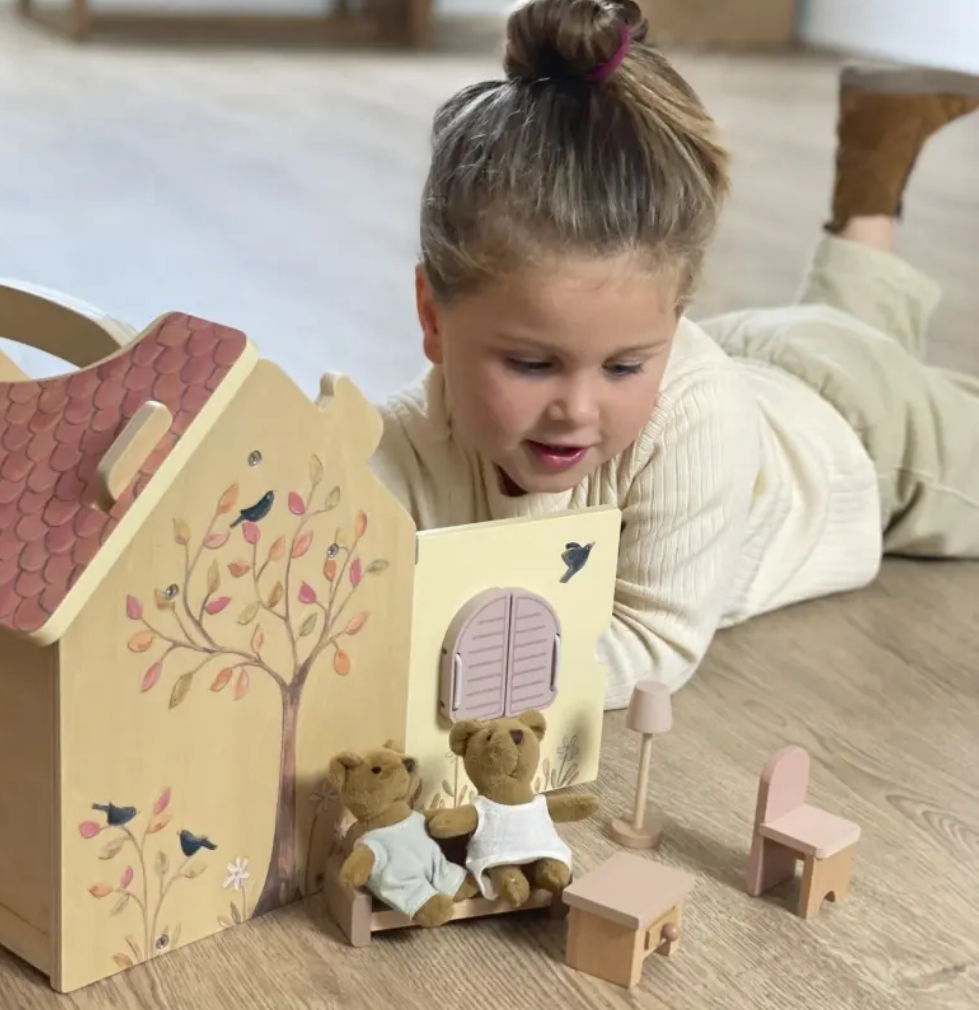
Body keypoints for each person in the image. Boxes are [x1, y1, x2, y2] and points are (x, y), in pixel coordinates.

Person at [370, 0, 979, 710]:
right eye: (532, 365)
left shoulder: (696, 422)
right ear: (431, 318)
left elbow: (652, 642)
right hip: (774, 362)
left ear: (675, 320)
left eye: (624, 367)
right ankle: (878, 158)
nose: (576, 409)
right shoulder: (413, 432)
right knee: (845, 330)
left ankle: (874, 173)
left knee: (862, 352)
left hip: (865, 440)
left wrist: (451, 683)